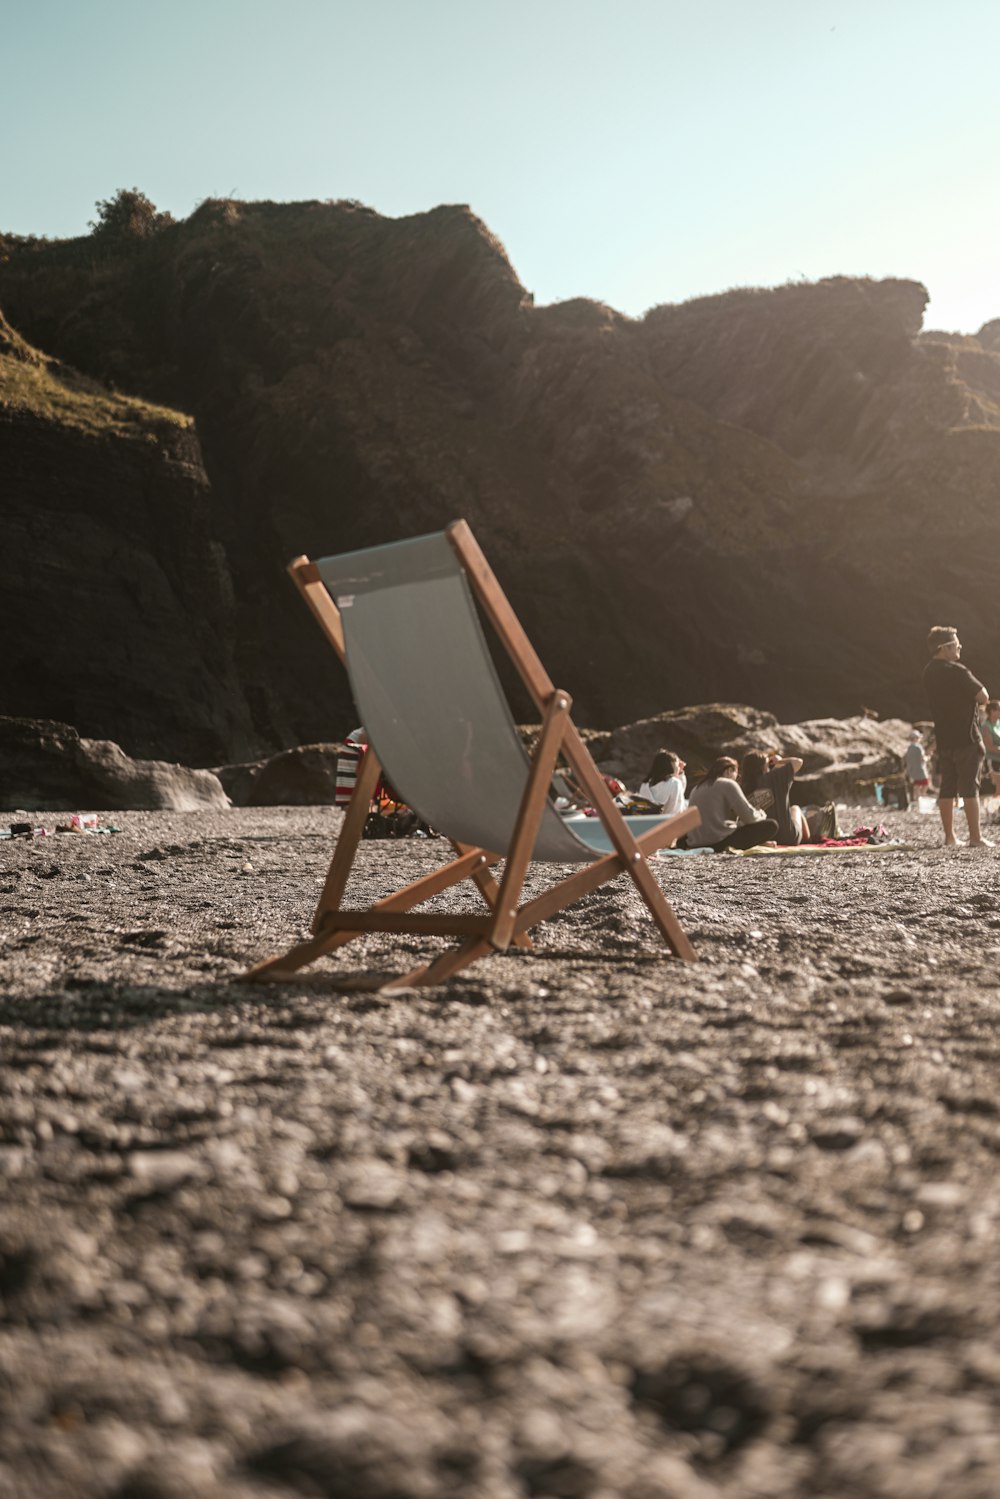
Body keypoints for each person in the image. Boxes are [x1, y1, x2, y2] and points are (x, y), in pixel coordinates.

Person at [922, 625, 991, 848]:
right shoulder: (958, 671)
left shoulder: (928, 672)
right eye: (956, 644)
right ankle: (975, 838)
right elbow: (983, 697)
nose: (959, 647)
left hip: (944, 739)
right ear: (945, 648)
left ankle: (950, 837)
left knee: (947, 788)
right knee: (970, 787)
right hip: (967, 738)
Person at [685, 757, 779, 852]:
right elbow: (749, 818)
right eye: (736, 774)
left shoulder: (697, 788)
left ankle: (761, 843)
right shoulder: (728, 784)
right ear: (729, 770)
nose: (736, 779)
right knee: (772, 825)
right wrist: (761, 814)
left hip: (696, 843)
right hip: (718, 843)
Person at [739, 748, 809, 845]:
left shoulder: (742, 787)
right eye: (767, 764)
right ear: (763, 766)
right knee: (795, 808)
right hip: (788, 837)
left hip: (762, 838)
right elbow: (798, 762)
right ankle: (809, 839)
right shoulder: (776, 777)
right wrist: (779, 761)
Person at [638, 750, 687, 816]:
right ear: (672, 766)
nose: (679, 768)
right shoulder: (675, 783)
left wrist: (680, 774)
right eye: (677, 765)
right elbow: (675, 807)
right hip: (670, 822)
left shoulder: (644, 785)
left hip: (649, 822)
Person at [904, 729, 931, 800]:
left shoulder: (909, 748)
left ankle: (918, 799)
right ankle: (921, 797)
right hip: (921, 770)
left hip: (912, 770)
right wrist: (928, 757)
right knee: (926, 783)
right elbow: (922, 759)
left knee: (917, 786)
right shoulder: (919, 747)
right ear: (916, 738)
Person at [981, 701, 1000, 795]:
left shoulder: (999, 724)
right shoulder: (985, 726)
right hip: (992, 761)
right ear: (992, 711)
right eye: (999, 709)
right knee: (997, 785)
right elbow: (989, 747)